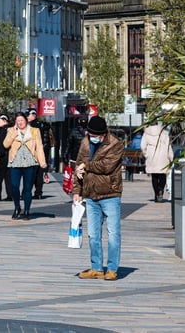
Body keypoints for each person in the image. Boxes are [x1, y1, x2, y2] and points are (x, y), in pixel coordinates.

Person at [72, 115, 125, 281]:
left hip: (110, 193)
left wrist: (86, 166)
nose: (92, 138)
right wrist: (77, 191)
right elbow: (78, 166)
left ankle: (112, 268)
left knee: (113, 233)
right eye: (90, 134)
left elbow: (106, 167)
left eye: (95, 136)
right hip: (91, 194)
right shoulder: (85, 142)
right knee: (93, 234)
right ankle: (96, 267)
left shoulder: (115, 144)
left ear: (103, 134)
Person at [4, 111, 46, 220]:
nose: (20, 122)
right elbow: (5, 144)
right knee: (14, 186)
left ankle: (27, 210)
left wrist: (42, 162)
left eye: (22, 120)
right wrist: (13, 133)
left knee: (27, 188)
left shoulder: (34, 131)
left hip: (30, 161)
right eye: (18, 121)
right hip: (15, 162)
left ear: (26, 120)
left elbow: (39, 147)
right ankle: (17, 206)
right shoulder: (11, 130)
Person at [140, 122, 174, 202]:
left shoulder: (146, 133)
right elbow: (169, 146)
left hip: (152, 156)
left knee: (154, 176)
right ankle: (161, 189)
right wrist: (171, 157)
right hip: (163, 155)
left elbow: (142, 146)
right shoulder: (164, 132)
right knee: (163, 175)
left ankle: (156, 194)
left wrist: (146, 154)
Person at [28, 108, 54, 198]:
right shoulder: (44, 125)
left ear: (33, 115)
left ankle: (28, 192)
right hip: (43, 150)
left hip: (35, 151)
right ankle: (38, 192)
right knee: (39, 173)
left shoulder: (33, 126)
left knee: (32, 173)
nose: (27, 117)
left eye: (28, 115)